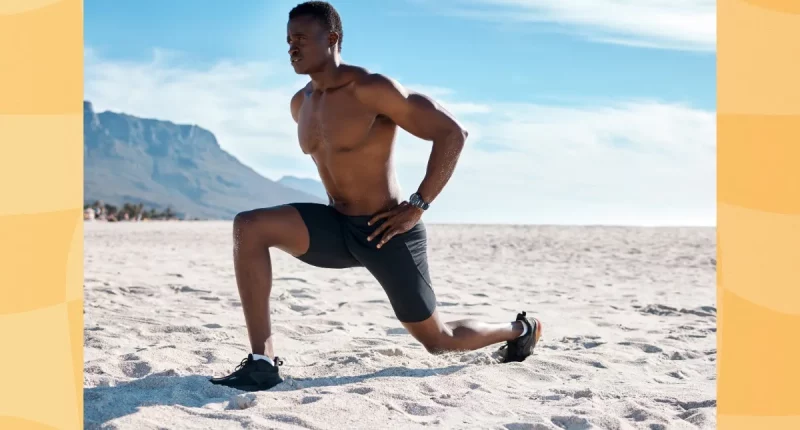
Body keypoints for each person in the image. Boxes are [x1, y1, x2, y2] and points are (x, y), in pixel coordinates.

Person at [210, 1, 542, 392]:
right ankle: (261, 361)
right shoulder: (301, 103)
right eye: (287, 40)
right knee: (249, 225)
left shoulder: (371, 88)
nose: (291, 48)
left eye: (300, 38)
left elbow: (452, 133)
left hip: (386, 231)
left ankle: (520, 328)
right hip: (336, 226)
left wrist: (418, 205)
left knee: (439, 340)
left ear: (331, 39)